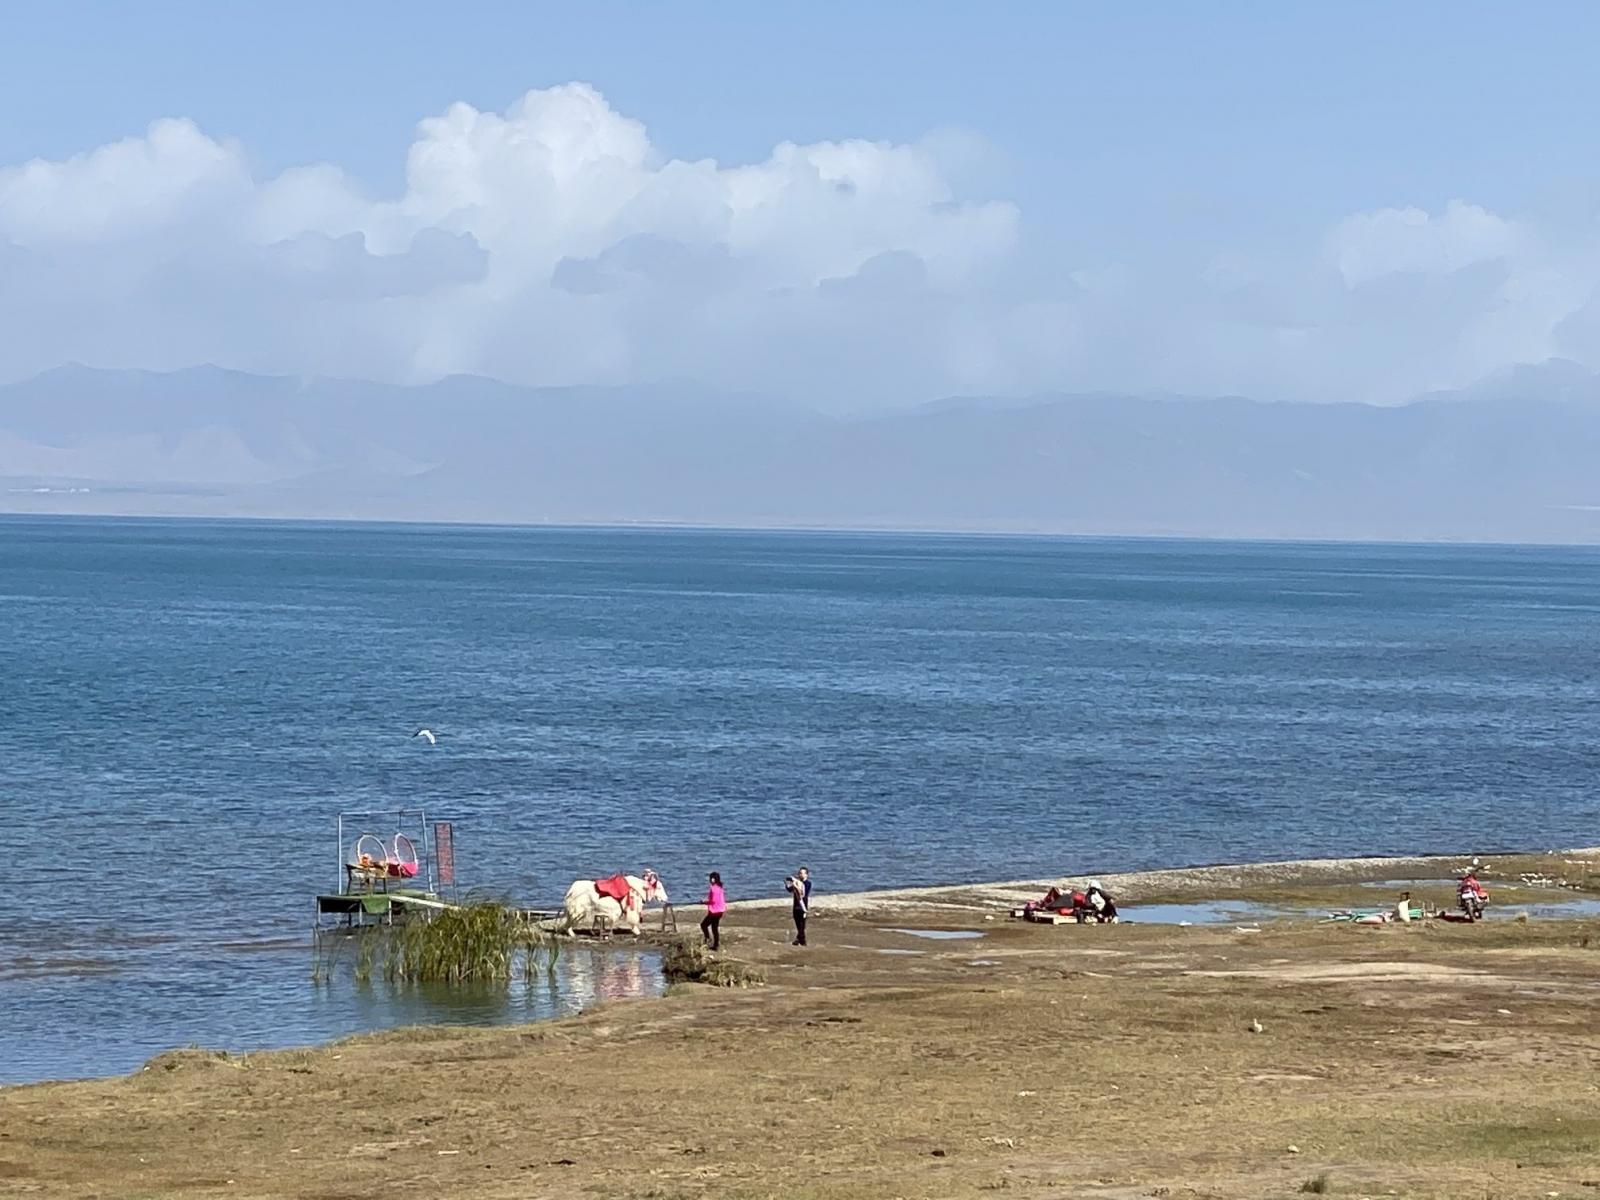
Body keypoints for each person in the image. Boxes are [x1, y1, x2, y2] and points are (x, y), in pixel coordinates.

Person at [701, 872, 726, 951]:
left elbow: (713, 901)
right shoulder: (720, 887)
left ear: (712, 879)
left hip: (714, 911)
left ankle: (707, 939)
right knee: (714, 928)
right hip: (720, 911)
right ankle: (716, 945)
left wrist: (704, 902)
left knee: (703, 925)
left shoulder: (713, 888)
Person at [786, 872, 809, 946]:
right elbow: (790, 890)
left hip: (802, 907)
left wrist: (795, 885)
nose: (800, 875)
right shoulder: (797, 883)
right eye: (799, 873)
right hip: (795, 906)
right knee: (798, 925)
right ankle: (800, 939)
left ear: (806, 875)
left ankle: (801, 940)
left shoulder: (807, 883)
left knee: (802, 925)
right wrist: (788, 883)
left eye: (802, 873)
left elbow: (802, 893)